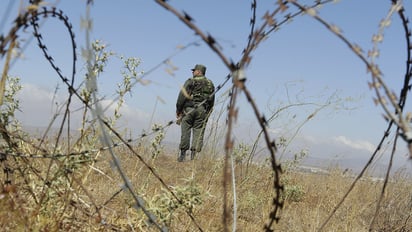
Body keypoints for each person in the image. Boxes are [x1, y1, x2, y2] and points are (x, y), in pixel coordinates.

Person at [176, 64, 215, 162]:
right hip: (202, 111)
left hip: (188, 109)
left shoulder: (191, 81)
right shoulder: (210, 84)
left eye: (194, 71)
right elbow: (212, 101)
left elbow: (182, 96)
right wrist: (207, 114)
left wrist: (178, 110)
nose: (192, 72)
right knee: (198, 132)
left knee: (185, 131)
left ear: (198, 72)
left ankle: (182, 156)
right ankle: (193, 158)